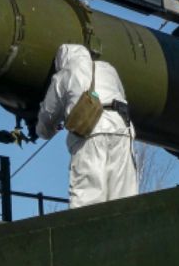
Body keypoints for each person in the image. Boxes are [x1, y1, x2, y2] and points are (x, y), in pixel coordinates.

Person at [34, 44, 138, 208]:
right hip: (121, 128)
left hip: (90, 132)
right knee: (124, 196)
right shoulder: (109, 69)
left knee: (88, 197)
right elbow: (122, 95)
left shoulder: (65, 74)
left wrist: (42, 131)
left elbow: (48, 116)